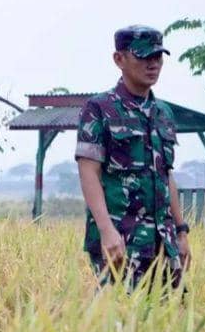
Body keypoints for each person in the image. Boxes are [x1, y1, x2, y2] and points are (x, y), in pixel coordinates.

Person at [75, 25, 192, 291]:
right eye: (144, 56)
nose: (153, 64)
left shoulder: (163, 113)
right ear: (119, 59)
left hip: (164, 241)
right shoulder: (99, 108)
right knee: (120, 319)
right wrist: (106, 231)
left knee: (170, 321)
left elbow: (166, 175)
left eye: (158, 57)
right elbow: (88, 171)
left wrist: (181, 232)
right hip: (121, 239)